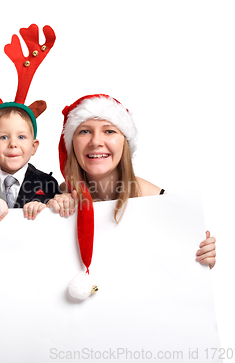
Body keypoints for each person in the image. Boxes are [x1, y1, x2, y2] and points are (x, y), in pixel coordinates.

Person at [47, 94, 216, 271]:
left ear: (125, 143)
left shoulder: (160, 202)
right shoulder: (56, 195)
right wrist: (47, 215)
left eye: (109, 131)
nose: (96, 141)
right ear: (72, 143)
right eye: (84, 131)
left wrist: (201, 258)